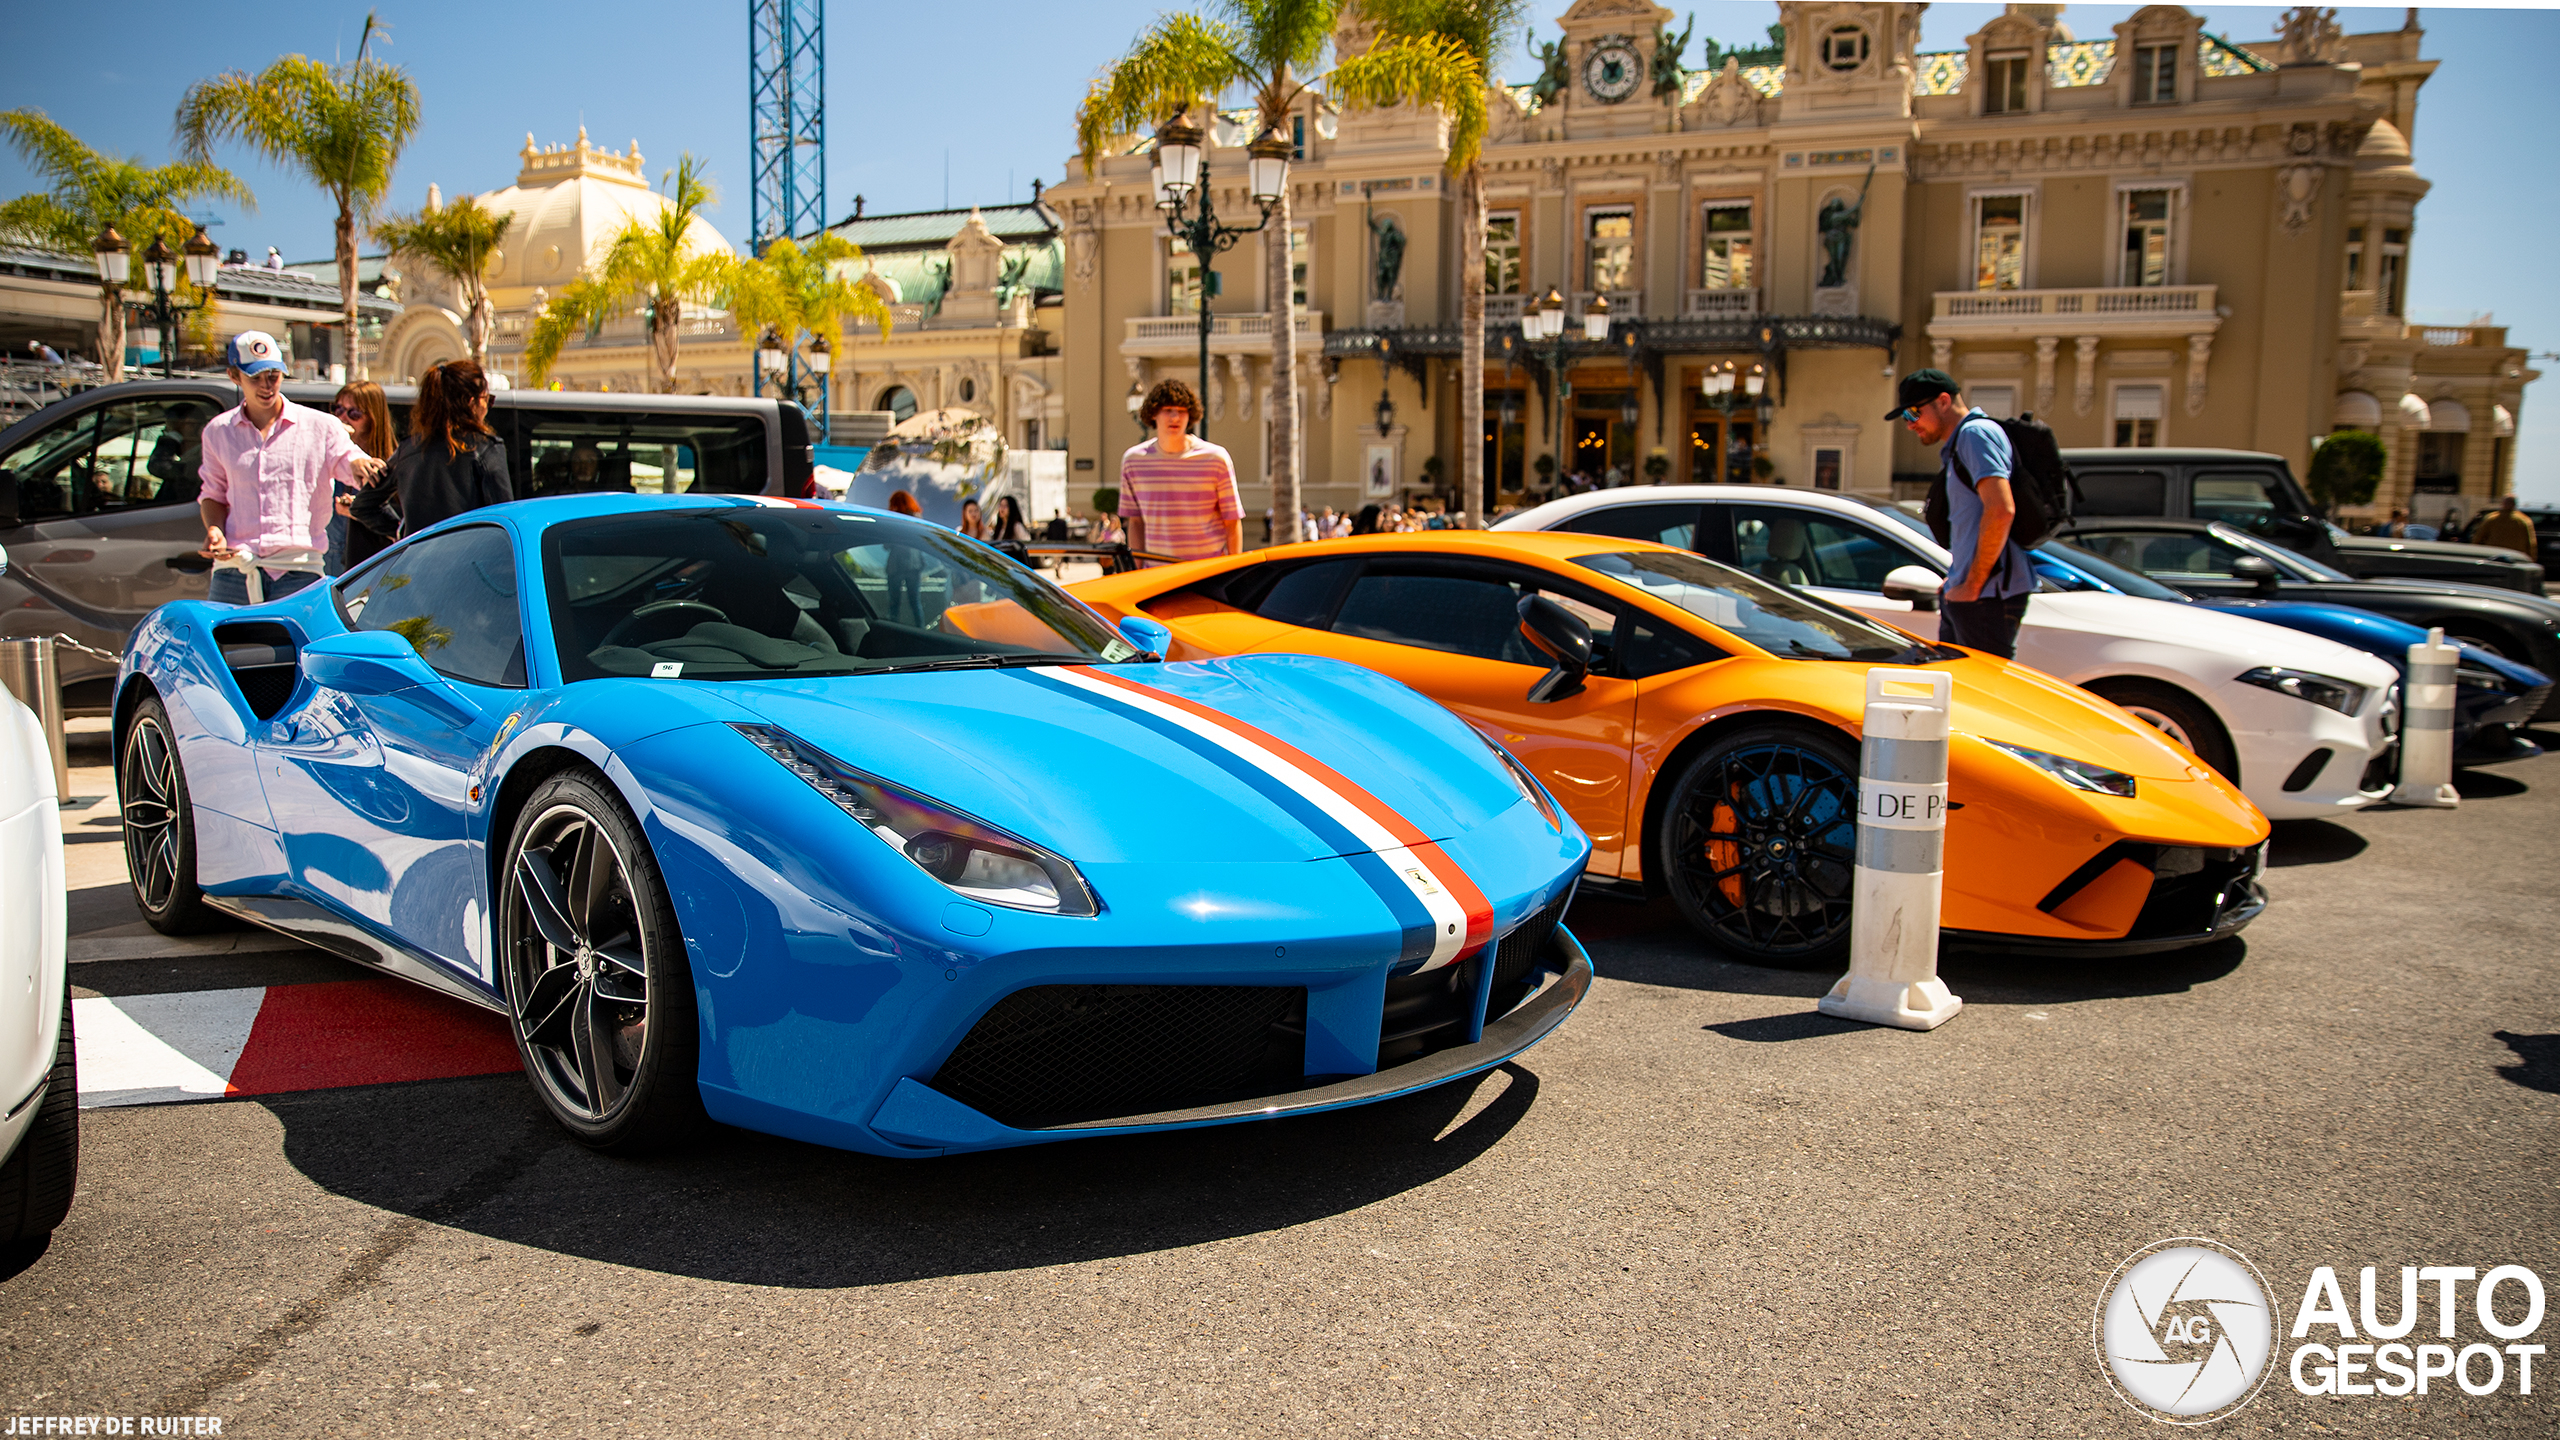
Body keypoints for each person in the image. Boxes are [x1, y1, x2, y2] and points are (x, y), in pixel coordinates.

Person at [197, 330, 384, 605]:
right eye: (255, 377)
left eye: (273, 376)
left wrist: (361, 464)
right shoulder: (218, 431)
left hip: (300, 570)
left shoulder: (320, 425)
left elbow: (348, 459)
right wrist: (215, 530)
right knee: (224, 647)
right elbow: (213, 493)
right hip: (235, 569)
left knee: (301, 649)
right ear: (234, 376)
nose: (266, 385)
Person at [1889, 368, 2035, 658]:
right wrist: (1959, 577)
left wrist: (1972, 584)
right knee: (1961, 690)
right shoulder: (1961, 442)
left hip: (1987, 595)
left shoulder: (1975, 435)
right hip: (1976, 593)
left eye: (1912, 414)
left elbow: (2001, 510)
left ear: (1943, 401)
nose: (1910, 424)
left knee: (1982, 695)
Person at [351, 359, 510, 541]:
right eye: (487, 400)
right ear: (471, 402)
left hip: (419, 563)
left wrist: (404, 532)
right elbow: (505, 517)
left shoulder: (408, 449)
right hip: (470, 560)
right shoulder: (486, 447)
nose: (487, 408)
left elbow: (362, 506)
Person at [1118, 379, 1242, 563]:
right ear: (1153, 414)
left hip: (1207, 574)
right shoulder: (1133, 461)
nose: (1175, 417)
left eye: (1182, 411)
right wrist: (1135, 573)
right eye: (1168, 410)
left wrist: (1234, 572)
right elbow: (1135, 522)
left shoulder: (1216, 458)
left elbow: (1232, 522)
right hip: (1156, 575)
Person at [330, 380, 398, 570]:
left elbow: (401, 526)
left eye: (354, 413)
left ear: (372, 418)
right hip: (329, 561)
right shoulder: (330, 459)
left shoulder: (391, 466)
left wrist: (361, 510)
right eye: (338, 409)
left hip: (370, 568)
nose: (343, 418)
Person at [884, 489, 926, 624]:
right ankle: (921, 632)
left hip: (896, 566)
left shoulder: (893, 519)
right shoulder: (916, 518)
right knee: (915, 603)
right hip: (914, 565)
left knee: (894, 604)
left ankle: (894, 631)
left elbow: (886, 545)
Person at [2474, 494, 2538, 558]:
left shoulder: (2491, 519)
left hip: (2493, 556)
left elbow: (2478, 538)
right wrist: (2531, 558)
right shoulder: (2524, 521)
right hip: (2515, 557)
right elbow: (2531, 543)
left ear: (2502, 504)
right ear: (2514, 504)